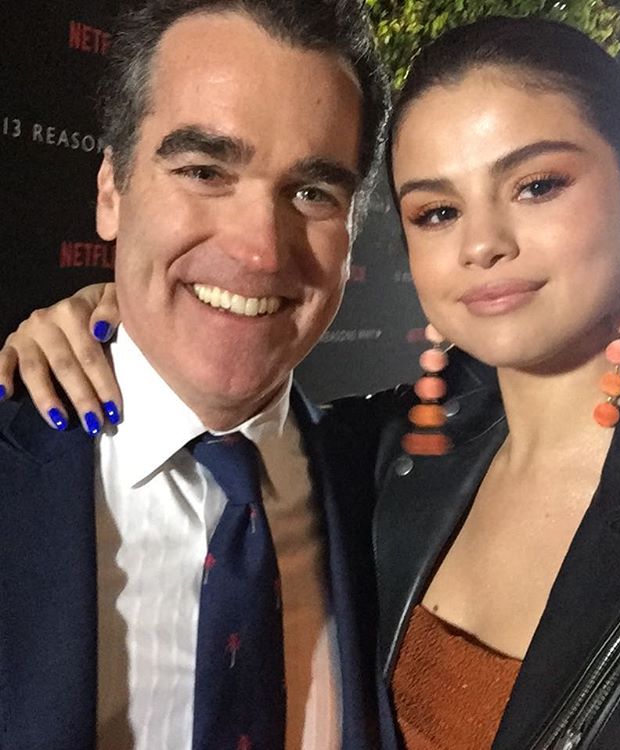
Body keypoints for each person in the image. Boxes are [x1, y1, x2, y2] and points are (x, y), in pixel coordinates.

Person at [5, 14, 620, 750]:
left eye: (537, 185)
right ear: (111, 190)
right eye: (438, 211)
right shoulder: (397, 459)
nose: (260, 250)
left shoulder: (361, 470)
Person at [0, 1, 391, 749]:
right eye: (205, 171)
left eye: (312, 192)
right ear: (111, 192)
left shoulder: (395, 487)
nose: (260, 251)